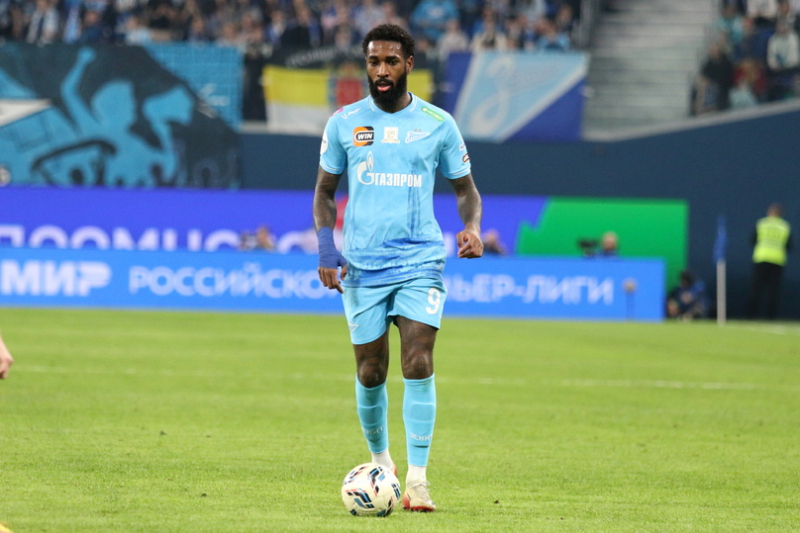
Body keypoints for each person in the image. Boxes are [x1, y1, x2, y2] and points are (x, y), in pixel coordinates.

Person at [312, 23, 483, 513]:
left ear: (409, 64)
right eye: (373, 62)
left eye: (390, 61)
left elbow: (466, 190)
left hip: (419, 261)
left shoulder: (437, 123)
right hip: (362, 268)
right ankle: (381, 465)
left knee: (418, 361)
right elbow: (324, 192)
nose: (381, 70)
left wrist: (471, 226)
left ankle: (419, 480)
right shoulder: (344, 122)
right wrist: (326, 246)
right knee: (370, 371)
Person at [747, 203, 792, 319]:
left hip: (761, 259)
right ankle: (770, 317)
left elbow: (752, 240)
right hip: (777, 261)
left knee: (756, 289)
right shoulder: (784, 226)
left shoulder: (762, 223)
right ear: (781, 214)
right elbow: (789, 246)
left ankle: (751, 316)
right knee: (773, 291)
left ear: (769, 212)